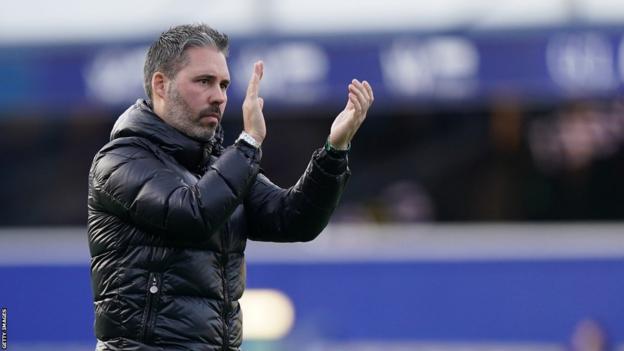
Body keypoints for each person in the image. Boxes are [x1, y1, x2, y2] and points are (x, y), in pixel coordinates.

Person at [87, 24, 373, 350]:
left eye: (224, 85)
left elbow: (294, 218)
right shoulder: (120, 160)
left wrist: (334, 152)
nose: (219, 96)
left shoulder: (223, 163)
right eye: (204, 81)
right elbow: (192, 214)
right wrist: (248, 143)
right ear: (161, 85)